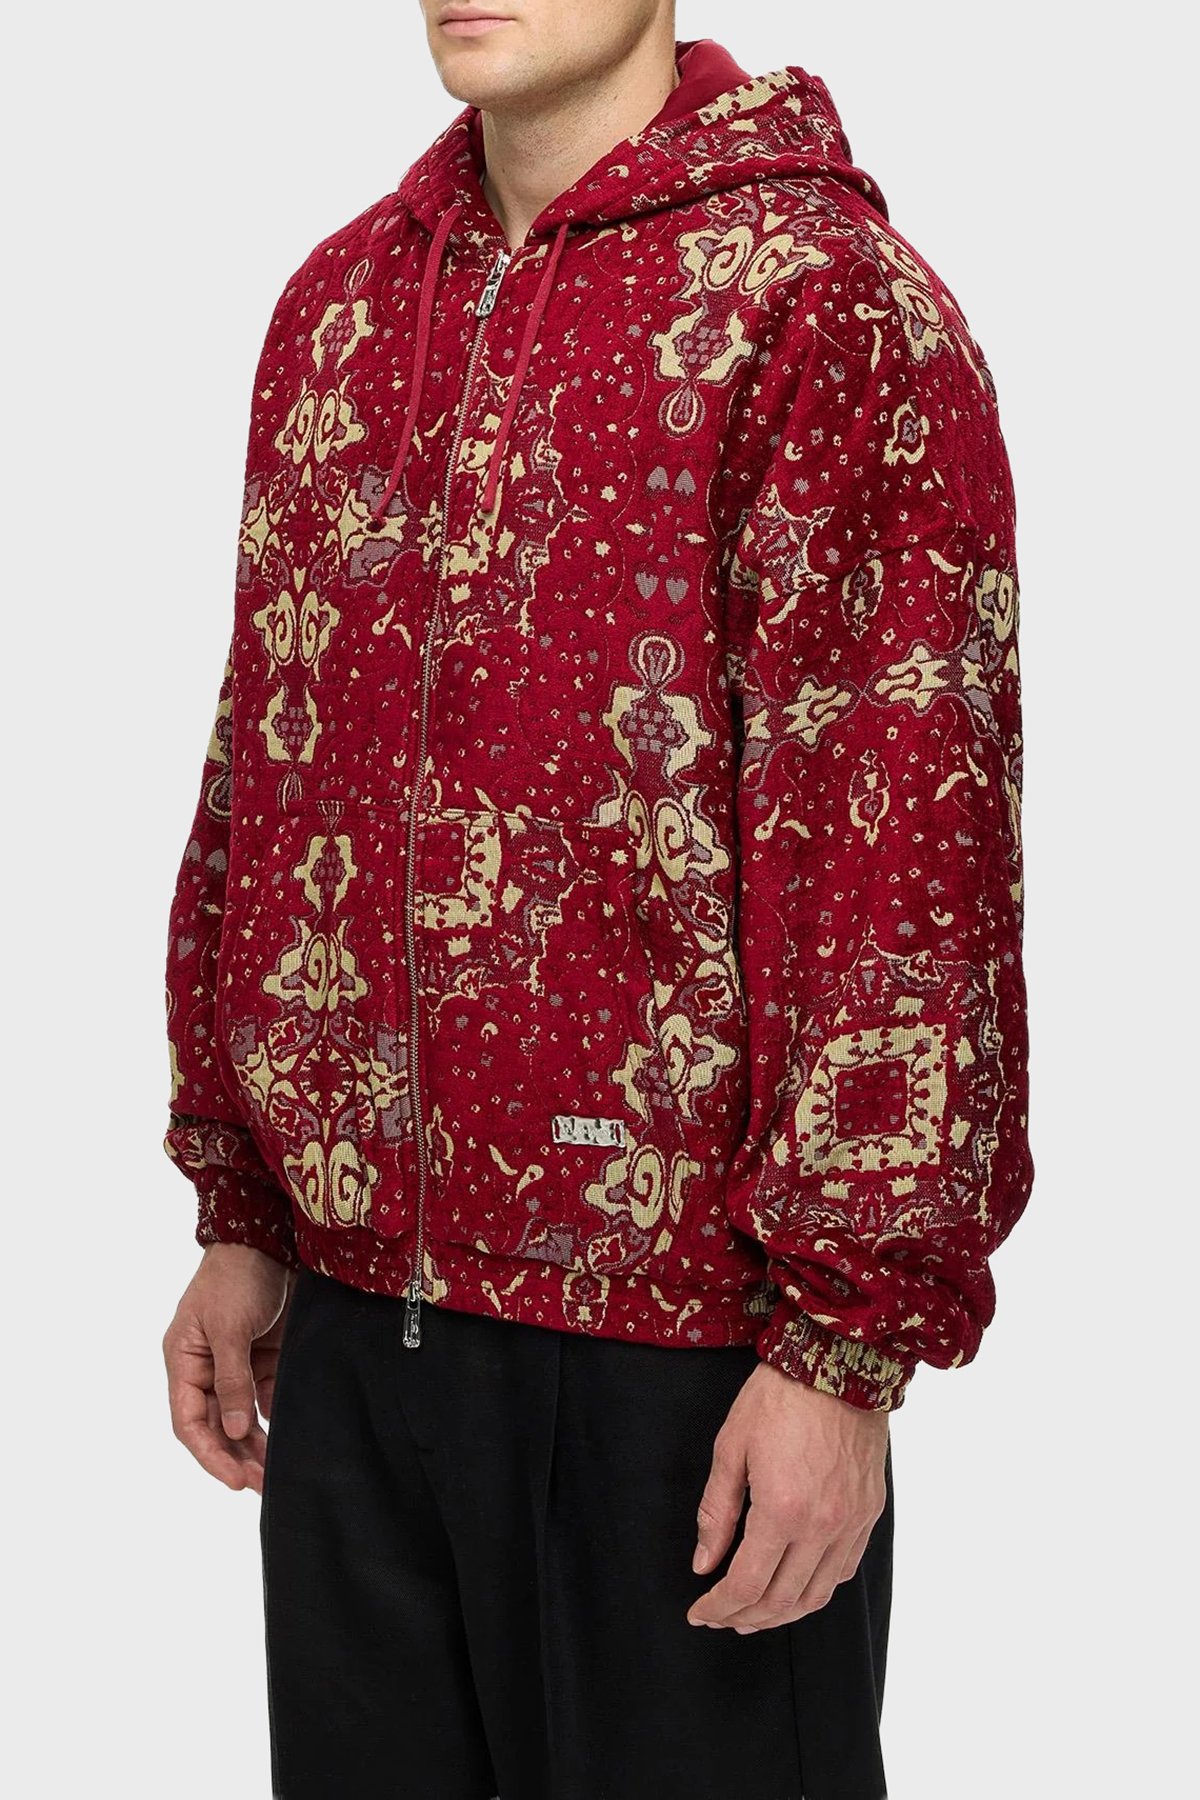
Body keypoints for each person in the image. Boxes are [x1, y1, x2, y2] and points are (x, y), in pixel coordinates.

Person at [160, 6, 1033, 1796]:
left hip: (687, 1374)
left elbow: (903, 849)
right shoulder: (340, 311)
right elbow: (270, 755)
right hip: (354, 1337)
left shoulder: (821, 304)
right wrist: (243, 1205)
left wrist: (843, 1354)